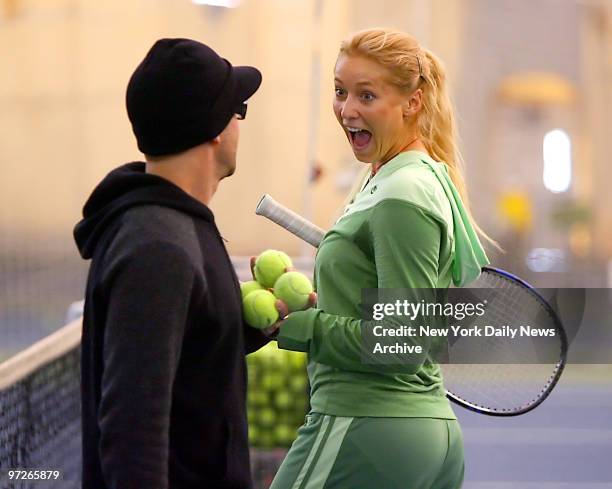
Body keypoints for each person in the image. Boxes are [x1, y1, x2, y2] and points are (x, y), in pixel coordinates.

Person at [269, 28, 492, 489]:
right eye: (340, 92)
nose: (347, 110)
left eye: (367, 95)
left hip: (365, 427)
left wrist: (297, 323)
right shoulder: (398, 176)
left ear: (413, 102)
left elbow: (399, 342)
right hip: (412, 437)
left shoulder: (401, 194)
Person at [74, 38, 272, 489]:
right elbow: (133, 433)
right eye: (238, 109)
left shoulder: (172, 226)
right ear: (217, 128)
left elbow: (178, 355)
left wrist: (250, 326)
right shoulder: (157, 247)